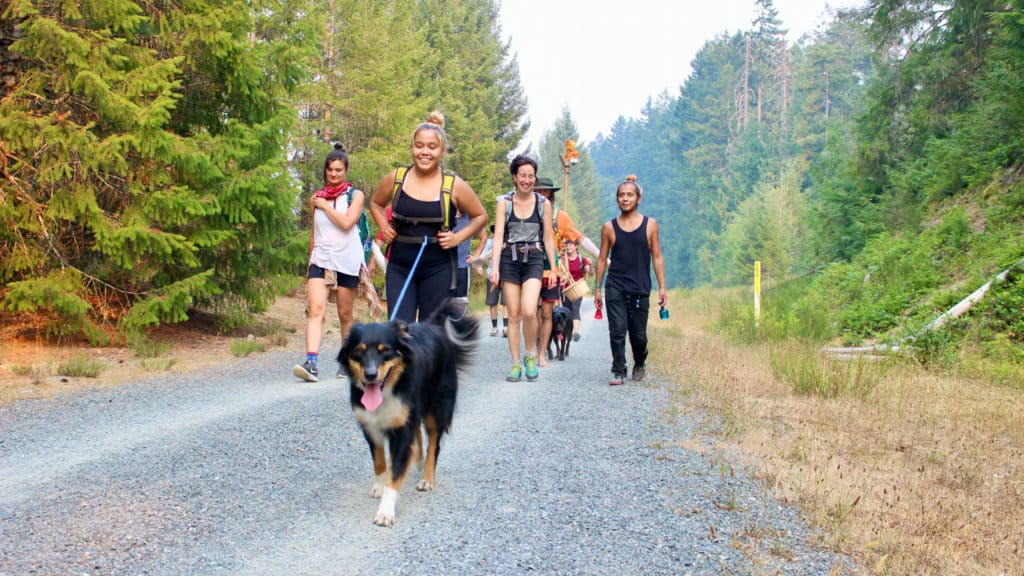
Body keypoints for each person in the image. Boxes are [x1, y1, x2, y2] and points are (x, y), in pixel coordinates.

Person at [369, 111, 487, 323]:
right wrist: (383, 226)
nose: (424, 152)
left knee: (430, 333)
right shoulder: (396, 178)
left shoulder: (454, 184)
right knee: (399, 330)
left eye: (432, 147)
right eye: (419, 145)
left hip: (438, 268)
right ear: (412, 148)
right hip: (400, 267)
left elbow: (480, 216)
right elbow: (376, 203)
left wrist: (458, 238)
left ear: (442, 151)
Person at [293, 143, 365, 382]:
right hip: (321, 259)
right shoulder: (316, 198)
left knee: (345, 314)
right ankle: (311, 362)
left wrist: (325, 205)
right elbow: (315, 231)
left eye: (338, 170)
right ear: (325, 171)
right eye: (330, 170)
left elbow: (347, 223)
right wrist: (309, 259)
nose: (333, 174)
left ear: (346, 171)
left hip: (347, 260)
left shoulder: (355, 195)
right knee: (315, 310)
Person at [593, 175, 667, 386]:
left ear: (638, 198)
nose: (625, 199)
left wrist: (662, 287)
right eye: (621, 195)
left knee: (639, 335)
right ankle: (618, 369)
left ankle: (640, 362)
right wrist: (598, 288)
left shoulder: (650, 225)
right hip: (615, 285)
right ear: (617, 199)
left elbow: (657, 256)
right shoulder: (608, 227)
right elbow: (601, 259)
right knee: (617, 330)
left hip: (640, 287)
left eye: (629, 195)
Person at [490, 155, 558, 382]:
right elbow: (498, 237)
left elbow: (548, 238)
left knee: (530, 310)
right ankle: (516, 363)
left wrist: (555, 268)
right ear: (514, 177)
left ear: (534, 178)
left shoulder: (543, 204)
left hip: (535, 258)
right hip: (509, 258)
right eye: (522, 176)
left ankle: (531, 354)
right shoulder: (505, 203)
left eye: (531, 176)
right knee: (514, 314)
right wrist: (495, 267)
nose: (527, 180)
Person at [533, 177, 599, 367]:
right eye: (538, 191)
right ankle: (535, 343)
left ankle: (542, 349)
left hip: (550, 273)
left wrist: (601, 256)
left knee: (546, 313)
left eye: (545, 192)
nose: (542, 195)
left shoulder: (558, 216)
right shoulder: (524, 212)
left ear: (551, 194)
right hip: (528, 269)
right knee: (529, 312)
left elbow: (579, 238)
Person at [470, 225, 508, 337]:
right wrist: (479, 266)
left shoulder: (508, 242)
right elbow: (483, 256)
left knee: (506, 303)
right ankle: (495, 327)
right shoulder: (490, 242)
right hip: (491, 275)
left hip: (506, 275)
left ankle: (506, 327)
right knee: (492, 302)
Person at [560, 237, 591, 341]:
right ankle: (568, 331)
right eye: (567, 245)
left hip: (578, 288)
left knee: (575, 308)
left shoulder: (582, 259)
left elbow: (590, 273)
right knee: (567, 311)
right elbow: (558, 272)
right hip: (565, 290)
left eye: (570, 245)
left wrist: (589, 266)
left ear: (576, 247)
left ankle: (576, 331)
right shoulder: (562, 259)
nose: (568, 247)